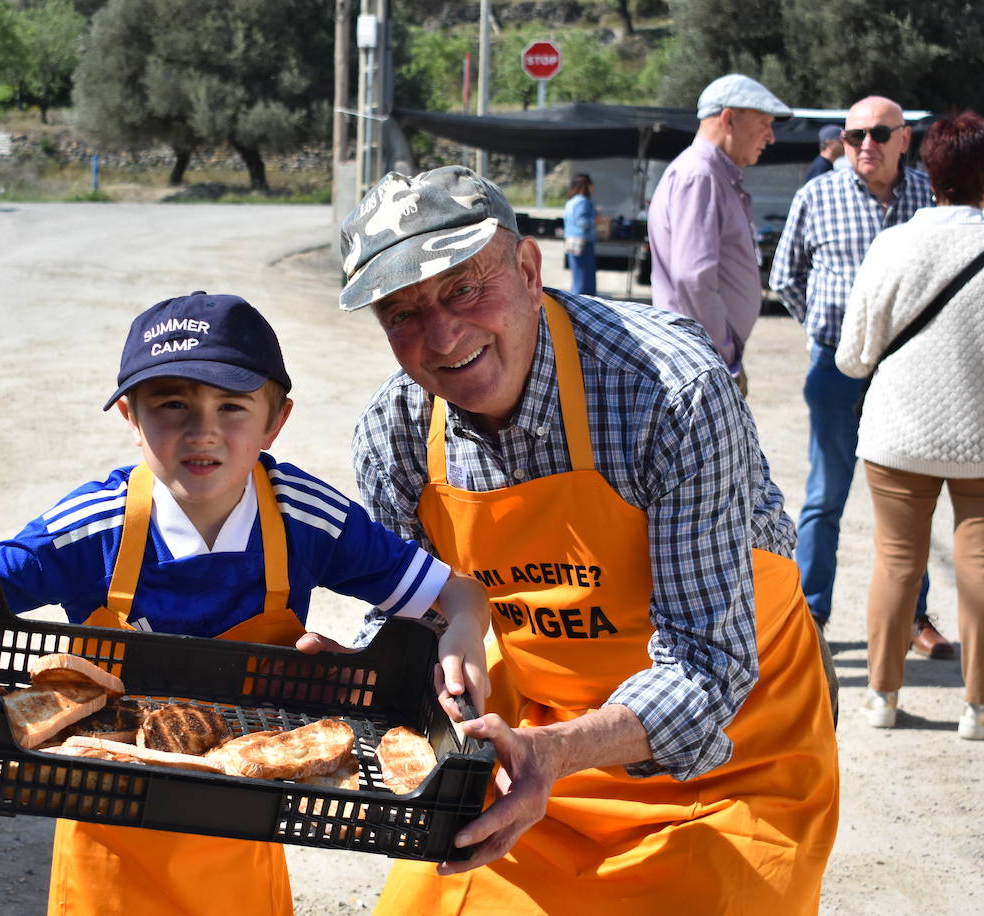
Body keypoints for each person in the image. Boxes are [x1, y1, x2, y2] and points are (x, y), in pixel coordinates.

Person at [0, 291, 491, 916]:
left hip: (244, 833)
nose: (203, 431)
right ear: (130, 415)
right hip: (104, 839)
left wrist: (465, 623)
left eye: (232, 406)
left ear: (275, 419)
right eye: (172, 405)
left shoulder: (307, 518)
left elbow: (456, 592)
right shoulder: (94, 527)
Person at [338, 165, 838, 913]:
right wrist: (361, 669)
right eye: (402, 315)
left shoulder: (666, 392)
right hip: (525, 755)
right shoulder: (395, 433)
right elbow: (416, 618)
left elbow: (709, 665)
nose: (441, 337)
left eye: (464, 289)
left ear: (530, 270)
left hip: (733, 761)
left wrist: (556, 754)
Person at [770, 95, 951, 657]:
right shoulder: (816, 195)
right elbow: (786, 275)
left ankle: (913, 617)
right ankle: (811, 615)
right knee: (826, 493)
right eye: (853, 137)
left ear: (904, 139)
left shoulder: (931, 197)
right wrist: (826, 334)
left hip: (912, 369)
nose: (864, 146)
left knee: (910, 497)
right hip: (835, 367)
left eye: (877, 134)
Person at [834, 110, 984, 739]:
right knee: (980, 562)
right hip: (979, 437)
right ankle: (976, 708)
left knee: (896, 562)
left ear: (928, 170)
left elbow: (853, 356)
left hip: (898, 433)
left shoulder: (892, 244)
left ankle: (881, 697)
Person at [646, 73, 790, 396]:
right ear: (728, 118)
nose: (771, 137)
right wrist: (724, 359)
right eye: (764, 122)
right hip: (701, 364)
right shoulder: (700, 176)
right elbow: (693, 279)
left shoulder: (709, 175)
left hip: (703, 360)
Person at [562, 173, 597, 295]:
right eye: (591, 185)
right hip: (583, 243)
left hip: (570, 241)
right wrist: (596, 220)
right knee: (585, 278)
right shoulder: (584, 202)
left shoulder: (570, 201)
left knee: (577, 275)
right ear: (586, 186)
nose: (593, 187)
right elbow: (582, 221)